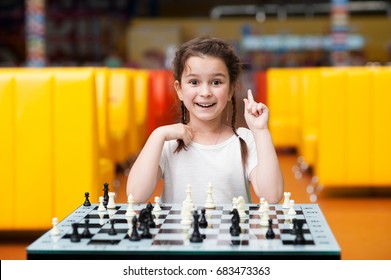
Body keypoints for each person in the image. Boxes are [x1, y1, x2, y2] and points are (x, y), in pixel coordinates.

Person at [126, 36, 283, 205]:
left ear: (231, 90)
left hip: (234, 232)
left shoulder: (245, 140)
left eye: (216, 82)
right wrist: (158, 134)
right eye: (194, 82)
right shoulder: (168, 142)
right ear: (179, 89)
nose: (205, 92)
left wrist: (260, 131)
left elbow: (272, 195)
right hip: (181, 231)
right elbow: (135, 195)